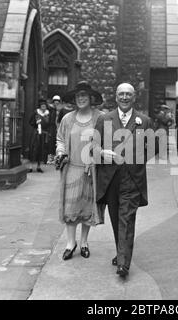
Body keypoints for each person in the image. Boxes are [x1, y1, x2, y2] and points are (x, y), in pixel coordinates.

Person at [93, 83, 155, 278]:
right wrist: (103, 153)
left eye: (128, 94)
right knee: (115, 218)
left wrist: (136, 159)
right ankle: (122, 252)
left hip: (132, 179)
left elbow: (153, 147)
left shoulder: (144, 121)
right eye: (121, 94)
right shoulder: (104, 119)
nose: (125, 97)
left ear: (134, 97)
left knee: (126, 219)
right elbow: (93, 147)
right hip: (110, 179)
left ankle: (123, 263)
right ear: (116, 97)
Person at [55, 81, 105, 261]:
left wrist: (97, 156)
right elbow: (60, 139)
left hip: (91, 170)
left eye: (84, 95)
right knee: (70, 207)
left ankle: (84, 242)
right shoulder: (67, 119)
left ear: (91, 98)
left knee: (87, 207)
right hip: (72, 168)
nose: (81, 99)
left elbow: (106, 141)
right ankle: (70, 243)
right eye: (78, 96)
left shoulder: (101, 118)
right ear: (74, 99)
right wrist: (60, 152)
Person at [28, 99, 51, 173]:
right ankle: (31, 167)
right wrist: (36, 126)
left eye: (44, 106)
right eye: (42, 106)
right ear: (40, 107)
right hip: (36, 133)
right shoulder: (36, 113)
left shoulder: (48, 114)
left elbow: (49, 124)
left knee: (41, 150)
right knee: (33, 149)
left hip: (43, 134)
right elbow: (30, 122)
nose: (43, 107)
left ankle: (38, 166)